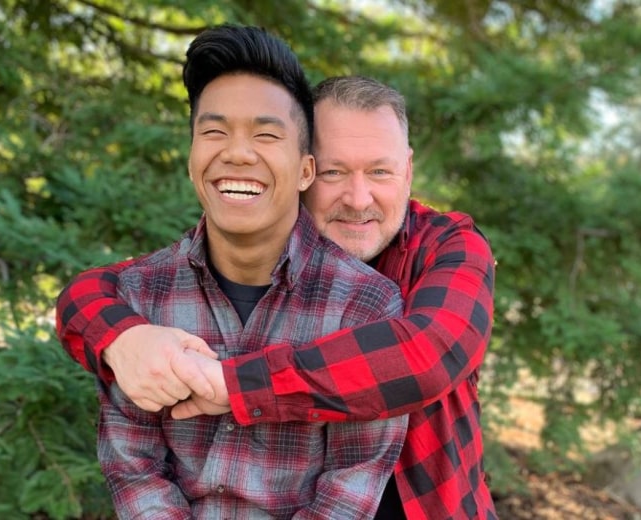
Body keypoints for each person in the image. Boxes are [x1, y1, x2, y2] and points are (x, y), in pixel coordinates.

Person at [57, 74, 499, 519]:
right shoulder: (235, 257)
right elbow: (90, 293)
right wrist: (123, 337)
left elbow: (426, 355)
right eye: (334, 172)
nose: (359, 198)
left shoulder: (448, 246)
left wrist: (234, 385)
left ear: (408, 170)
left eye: (380, 171)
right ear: (302, 171)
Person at [86, 24, 408, 519]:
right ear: (192, 159)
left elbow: (351, 485)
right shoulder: (139, 297)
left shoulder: (365, 305)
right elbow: (133, 470)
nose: (237, 152)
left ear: (305, 171)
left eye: (265, 134)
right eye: (214, 132)